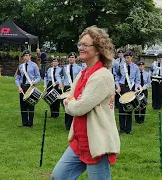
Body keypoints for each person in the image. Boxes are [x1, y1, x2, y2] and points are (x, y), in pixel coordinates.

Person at [52, 26, 120, 180]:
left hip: (96, 141)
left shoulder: (102, 76)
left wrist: (69, 102)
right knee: (59, 176)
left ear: (97, 50)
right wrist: (71, 101)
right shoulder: (83, 74)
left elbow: (78, 108)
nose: (80, 48)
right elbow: (71, 99)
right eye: (80, 44)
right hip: (80, 140)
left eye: (85, 45)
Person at [115, 51, 140, 134]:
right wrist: (117, 86)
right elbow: (117, 77)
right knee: (121, 109)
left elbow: (137, 80)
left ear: (131, 57)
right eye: (125, 58)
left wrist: (136, 87)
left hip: (131, 88)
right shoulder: (121, 66)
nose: (127, 59)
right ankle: (122, 128)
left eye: (128, 57)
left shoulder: (136, 67)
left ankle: (128, 129)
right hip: (122, 88)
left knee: (129, 108)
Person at [15, 49, 41, 127]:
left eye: (27, 55)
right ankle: (24, 122)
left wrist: (35, 82)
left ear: (30, 56)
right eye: (24, 56)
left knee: (30, 105)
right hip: (22, 86)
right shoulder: (20, 66)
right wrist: (19, 86)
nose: (25, 57)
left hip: (30, 87)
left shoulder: (34, 65)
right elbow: (17, 77)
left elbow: (38, 77)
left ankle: (30, 123)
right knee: (23, 106)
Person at [61, 52, 82, 130]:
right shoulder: (65, 68)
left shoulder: (79, 68)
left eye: (72, 57)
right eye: (70, 57)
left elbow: (81, 79)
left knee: (75, 105)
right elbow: (62, 77)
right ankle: (67, 124)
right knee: (67, 105)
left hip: (75, 87)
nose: (71, 58)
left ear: (75, 58)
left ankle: (75, 124)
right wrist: (60, 83)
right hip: (67, 87)